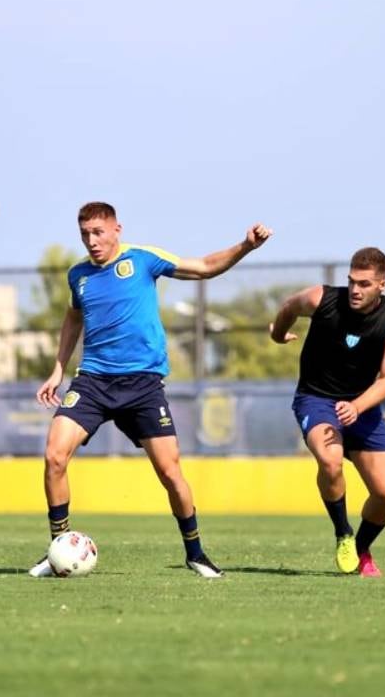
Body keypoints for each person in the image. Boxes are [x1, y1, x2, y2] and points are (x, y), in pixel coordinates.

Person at [29, 202, 273, 578]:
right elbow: (74, 317)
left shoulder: (143, 259)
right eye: (84, 234)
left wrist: (245, 246)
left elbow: (205, 267)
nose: (91, 241)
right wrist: (58, 369)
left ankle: (195, 553)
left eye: (98, 232)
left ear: (116, 230)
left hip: (142, 384)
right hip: (93, 381)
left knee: (170, 473)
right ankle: (58, 548)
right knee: (54, 456)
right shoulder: (78, 275)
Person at [269, 247, 385, 578]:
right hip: (316, 399)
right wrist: (277, 334)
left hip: (362, 406)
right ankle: (343, 533)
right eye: (351, 282)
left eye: (364, 284)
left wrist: (358, 406)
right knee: (330, 461)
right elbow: (289, 306)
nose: (356, 290)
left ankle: (361, 549)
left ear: (382, 285)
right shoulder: (322, 298)